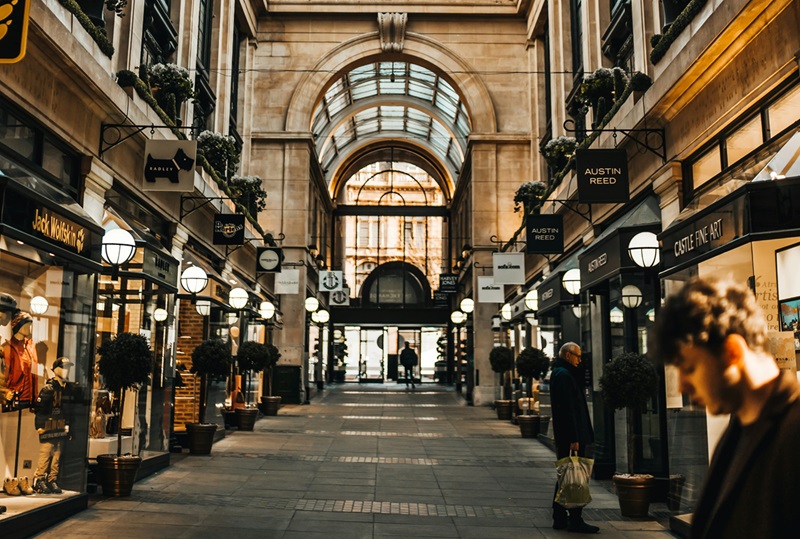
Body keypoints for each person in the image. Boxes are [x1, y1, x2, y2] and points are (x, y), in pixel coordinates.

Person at [650, 276, 800, 539]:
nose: (682, 385)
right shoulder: (739, 430)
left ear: (732, 352)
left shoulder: (792, 432)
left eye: (689, 368)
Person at [550, 342, 599, 534]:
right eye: (578, 356)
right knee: (573, 476)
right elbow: (568, 409)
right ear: (568, 355)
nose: (580, 360)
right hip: (571, 435)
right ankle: (575, 518)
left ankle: (560, 516)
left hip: (568, 433)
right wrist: (573, 437)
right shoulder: (564, 375)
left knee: (566, 475)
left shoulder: (562, 373)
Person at [34, 357, 79, 494]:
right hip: (49, 426)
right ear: (56, 369)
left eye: (68, 368)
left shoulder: (68, 389)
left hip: (61, 425)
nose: (67, 370)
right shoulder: (49, 388)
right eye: (64, 367)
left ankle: (52, 479)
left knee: (57, 455)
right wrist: (40, 426)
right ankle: (39, 479)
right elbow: (40, 409)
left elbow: (71, 411)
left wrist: (70, 428)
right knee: (46, 453)